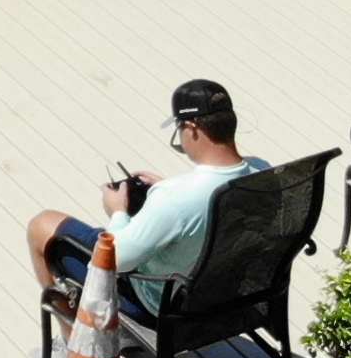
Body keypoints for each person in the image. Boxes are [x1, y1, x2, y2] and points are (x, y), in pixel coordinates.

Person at [28, 80, 268, 315]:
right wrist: (166, 192)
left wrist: (118, 212)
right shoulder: (262, 171)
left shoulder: (173, 199)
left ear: (192, 128)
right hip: (231, 294)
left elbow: (113, 261)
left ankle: (69, 339)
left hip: (166, 307)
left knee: (42, 225)